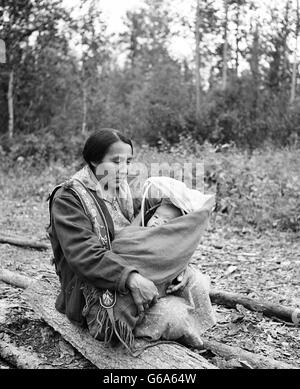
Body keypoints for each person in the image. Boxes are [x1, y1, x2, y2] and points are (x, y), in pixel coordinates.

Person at [47, 129, 159, 347]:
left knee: (194, 282)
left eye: (128, 161)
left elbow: (141, 226)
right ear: (93, 160)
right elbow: (83, 253)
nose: (124, 169)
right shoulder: (68, 197)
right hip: (89, 283)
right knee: (114, 324)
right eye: (116, 161)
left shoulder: (122, 189)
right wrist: (131, 278)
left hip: (126, 263)